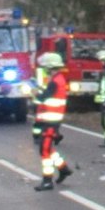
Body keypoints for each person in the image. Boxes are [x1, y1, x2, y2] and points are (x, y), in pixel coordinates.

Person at [33, 52, 73, 191]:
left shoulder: (55, 82)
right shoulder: (58, 79)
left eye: (45, 67)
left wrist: (34, 94)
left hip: (51, 121)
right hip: (52, 120)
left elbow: (42, 99)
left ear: (50, 67)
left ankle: (47, 180)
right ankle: (63, 169)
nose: (44, 70)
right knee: (48, 148)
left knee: (44, 150)